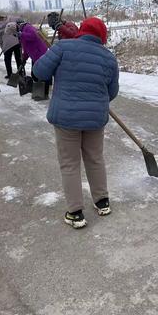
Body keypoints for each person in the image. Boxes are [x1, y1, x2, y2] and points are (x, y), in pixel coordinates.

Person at [33, 17, 119, 229]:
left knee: (70, 164)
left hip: (66, 118)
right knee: (95, 159)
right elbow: (112, 92)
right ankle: (102, 201)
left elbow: (39, 72)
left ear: (82, 30)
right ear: (102, 37)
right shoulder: (108, 58)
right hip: (95, 118)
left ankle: (76, 213)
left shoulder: (62, 47)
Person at [18, 22, 49, 98]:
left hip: (40, 53)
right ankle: (40, 90)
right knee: (35, 74)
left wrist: (22, 34)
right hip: (34, 55)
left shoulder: (28, 27)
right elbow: (26, 48)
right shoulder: (22, 33)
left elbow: (33, 36)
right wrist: (24, 59)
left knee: (42, 74)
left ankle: (44, 93)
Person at [0, 15, 22, 79]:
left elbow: (0, 39)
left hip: (7, 45)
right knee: (18, 58)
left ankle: (10, 74)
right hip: (16, 42)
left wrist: (2, 48)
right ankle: (21, 73)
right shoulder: (9, 21)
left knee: (7, 60)